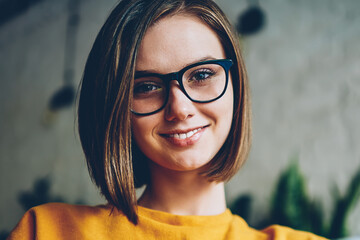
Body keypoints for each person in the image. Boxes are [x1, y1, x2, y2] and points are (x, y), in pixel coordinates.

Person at [8, 0, 327, 239]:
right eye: (146, 86)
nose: (180, 108)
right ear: (115, 106)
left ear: (236, 87)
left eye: (202, 75)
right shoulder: (48, 230)